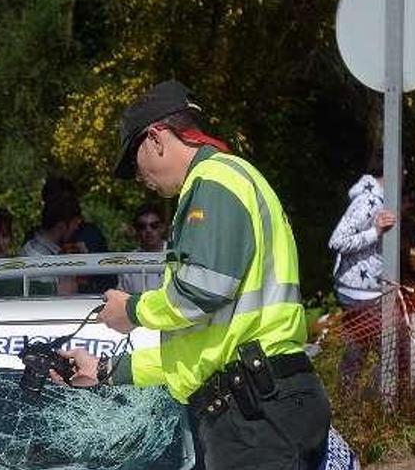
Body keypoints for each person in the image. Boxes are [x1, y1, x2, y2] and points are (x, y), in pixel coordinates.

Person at [54, 80, 332, 469]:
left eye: (134, 163)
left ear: (156, 138)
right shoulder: (224, 180)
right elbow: (195, 353)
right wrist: (104, 370)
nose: (140, 178)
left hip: (255, 412)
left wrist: (130, 311)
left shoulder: (214, 181)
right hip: (257, 404)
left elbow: (203, 291)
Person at [328, 157, 396, 386]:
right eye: (403, 169)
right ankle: (376, 404)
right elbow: (337, 241)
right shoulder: (370, 201)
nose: (405, 174)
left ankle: (349, 400)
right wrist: (375, 232)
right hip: (357, 290)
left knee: (358, 347)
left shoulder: (382, 199)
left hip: (365, 290)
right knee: (392, 350)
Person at [120, 203, 168, 293]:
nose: (148, 230)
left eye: (154, 225)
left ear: (162, 227)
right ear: (137, 230)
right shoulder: (128, 262)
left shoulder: (176, 256)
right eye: (142, 226)